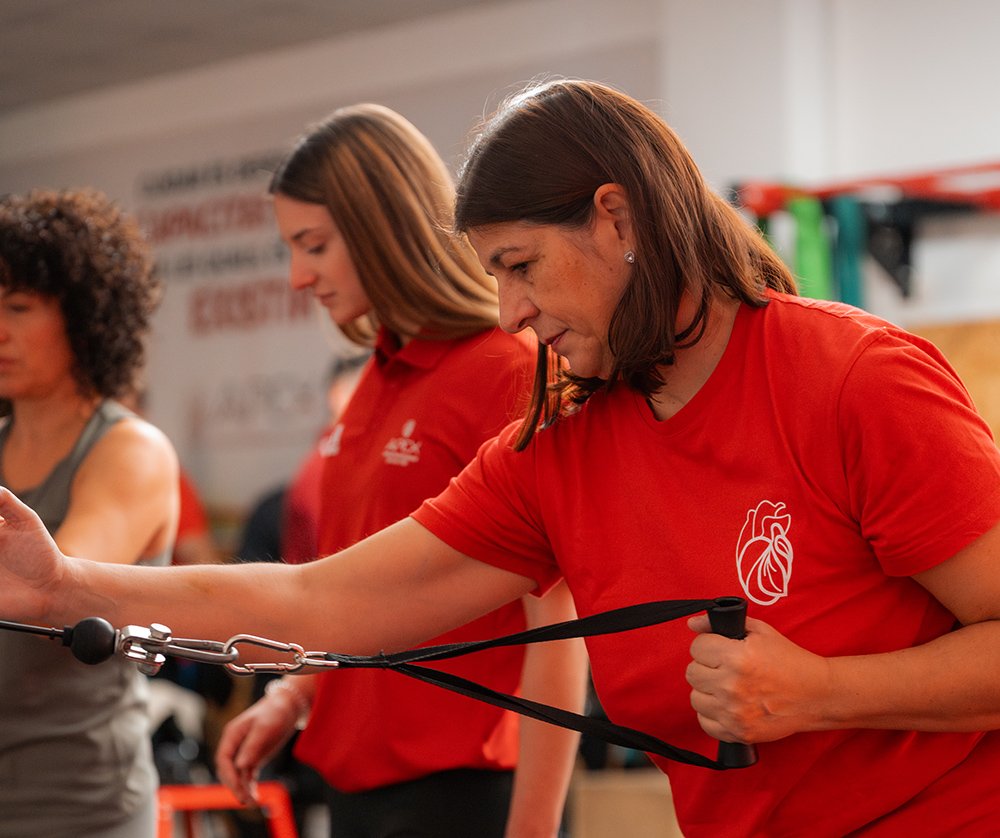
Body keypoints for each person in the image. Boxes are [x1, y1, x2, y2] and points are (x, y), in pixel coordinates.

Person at [1, 78, 998, 837]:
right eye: (491, 276)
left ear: (618, 217)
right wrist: (63, 586)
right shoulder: (558, 447)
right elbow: (320, 599)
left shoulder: (852, 378)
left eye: (520, 266)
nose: (510, 311)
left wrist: (827, 692)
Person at [222, 104, 585, 838]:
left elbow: (559, 626)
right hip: (362, 787)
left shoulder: (507, 367)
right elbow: (360, 595)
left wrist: (536, 827)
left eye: (313, 246)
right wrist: (296, 697)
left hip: (473, 791)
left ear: (378, 228)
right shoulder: (380, 377)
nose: (298, 277)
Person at [0, 188, 178, 837]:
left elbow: (49, 592)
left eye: (18, 307)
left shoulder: (127, 450)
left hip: (75, 804)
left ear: (82, 316)